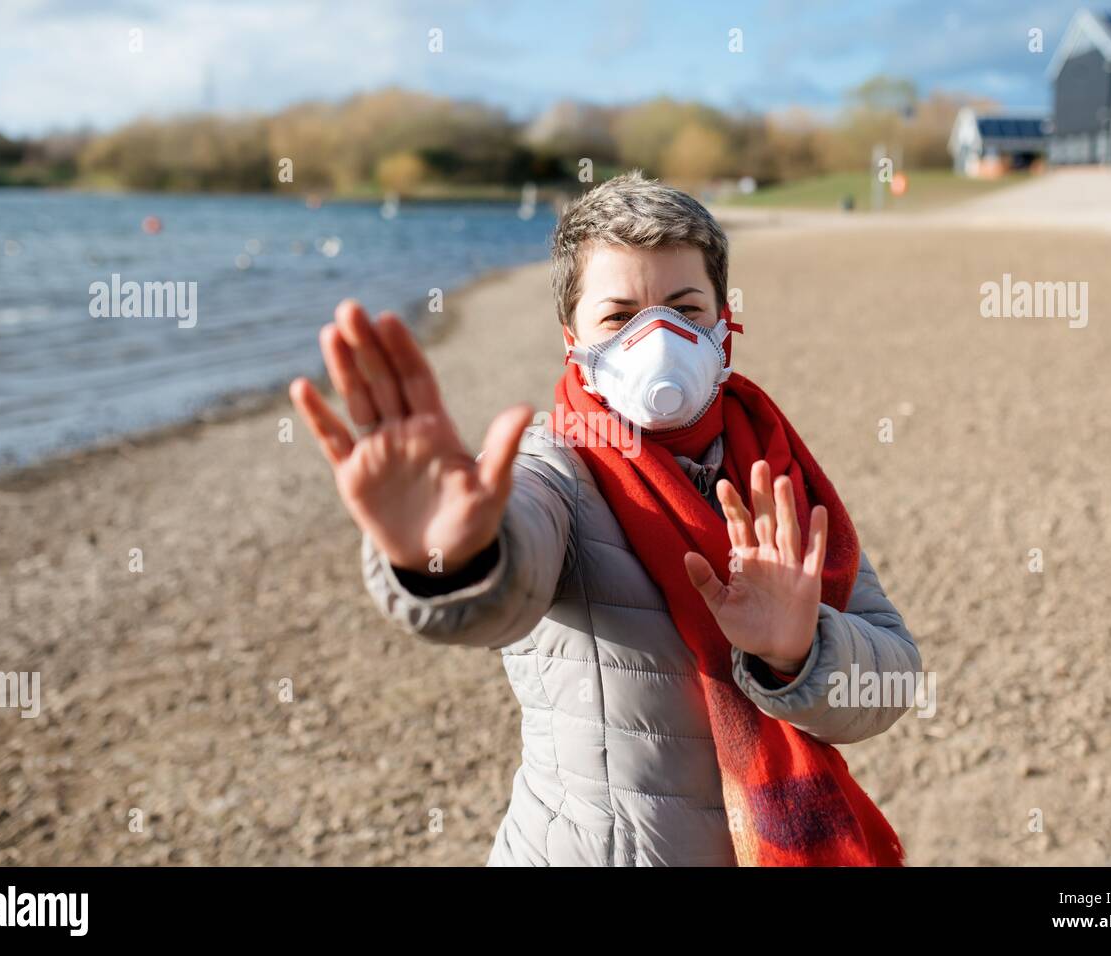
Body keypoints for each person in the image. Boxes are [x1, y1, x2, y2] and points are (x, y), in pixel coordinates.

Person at [289, 170, 921, 866]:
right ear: (573, 340)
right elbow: (504, 591)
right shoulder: (553, 465)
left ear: (724, 322)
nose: (659, 336)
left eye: (686, 308)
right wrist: (446, 560)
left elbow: (890, 681)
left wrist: (796, 654)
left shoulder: (778, 470)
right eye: (619, 317)